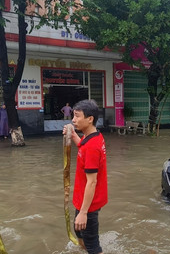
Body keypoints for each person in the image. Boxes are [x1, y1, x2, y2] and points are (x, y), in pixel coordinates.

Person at [62, 100, 107, 254]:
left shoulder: (92, 147)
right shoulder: (93, 136)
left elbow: (92, 181)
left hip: (89, 204)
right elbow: (83, 147)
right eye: (73, 116)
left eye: (77, 116)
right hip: (84, 200)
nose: (73, 120)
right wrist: (74, 135)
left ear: (90, 119)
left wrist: (83, 213)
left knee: (93, 246)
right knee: (80, 233)